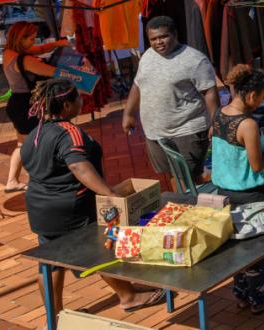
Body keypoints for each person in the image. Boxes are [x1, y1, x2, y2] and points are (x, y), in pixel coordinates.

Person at [22, 79, 165, 313]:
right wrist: (110, 195)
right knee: (98, 250)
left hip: (41, 211)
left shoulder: (35, 133)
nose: (82, 100)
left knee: (49, 264)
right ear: (67, 106)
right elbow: (79, 167)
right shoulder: (69, 133)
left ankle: (54, 317)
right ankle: (128, 296)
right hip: (72, 210)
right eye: (78, 97)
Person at [212, 65, 264, 315]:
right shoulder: (247, 125)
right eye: (263, 96)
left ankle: (242, 296)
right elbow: (256, 165)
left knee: (237, 247)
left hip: (224, 192)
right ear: (252, 95)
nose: (262, 101)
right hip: (251, 195)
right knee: (256, 252)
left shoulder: (220, 114)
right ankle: (260, 300)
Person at [123, 16, 218, 187]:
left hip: (187, 130)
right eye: (153, 39)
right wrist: (128, 113)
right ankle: (191, 203)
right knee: (174, 176)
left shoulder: (195, 60)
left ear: (175, 34)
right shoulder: (148, 56)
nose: (158, 42)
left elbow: (210, 91)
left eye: (163, 37)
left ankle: (195, 206)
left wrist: (215, 122)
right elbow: (138, 85)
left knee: (187, 178)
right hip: (155, 132)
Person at [1, 23, 67, 192]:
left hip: (16, 103)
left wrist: (56, 45)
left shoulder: (9, 53)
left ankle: (12, 181)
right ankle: (41, 182)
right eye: (31, 38)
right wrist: (78, 72)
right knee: (37, 144)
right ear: (20, 39)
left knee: (22, 144)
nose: (34, 42)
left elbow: (38, 49)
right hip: (27, 105)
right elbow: (52, 72)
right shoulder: (25, 60)